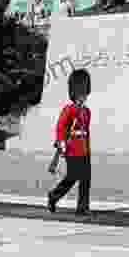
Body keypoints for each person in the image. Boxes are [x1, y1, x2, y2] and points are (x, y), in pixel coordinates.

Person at [47, 68, 92, 216]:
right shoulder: (69, 110)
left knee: (86, 178)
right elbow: (61, 126)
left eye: (84, 93)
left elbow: (86, 131)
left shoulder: (87, 111)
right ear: (75, 93)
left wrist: (88, 148)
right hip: (71, 149)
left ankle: (83, 207)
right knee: (72, 176)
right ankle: (54, 196)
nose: (83, 97)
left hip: (84, 149)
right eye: (81, 94)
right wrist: (61, 143)